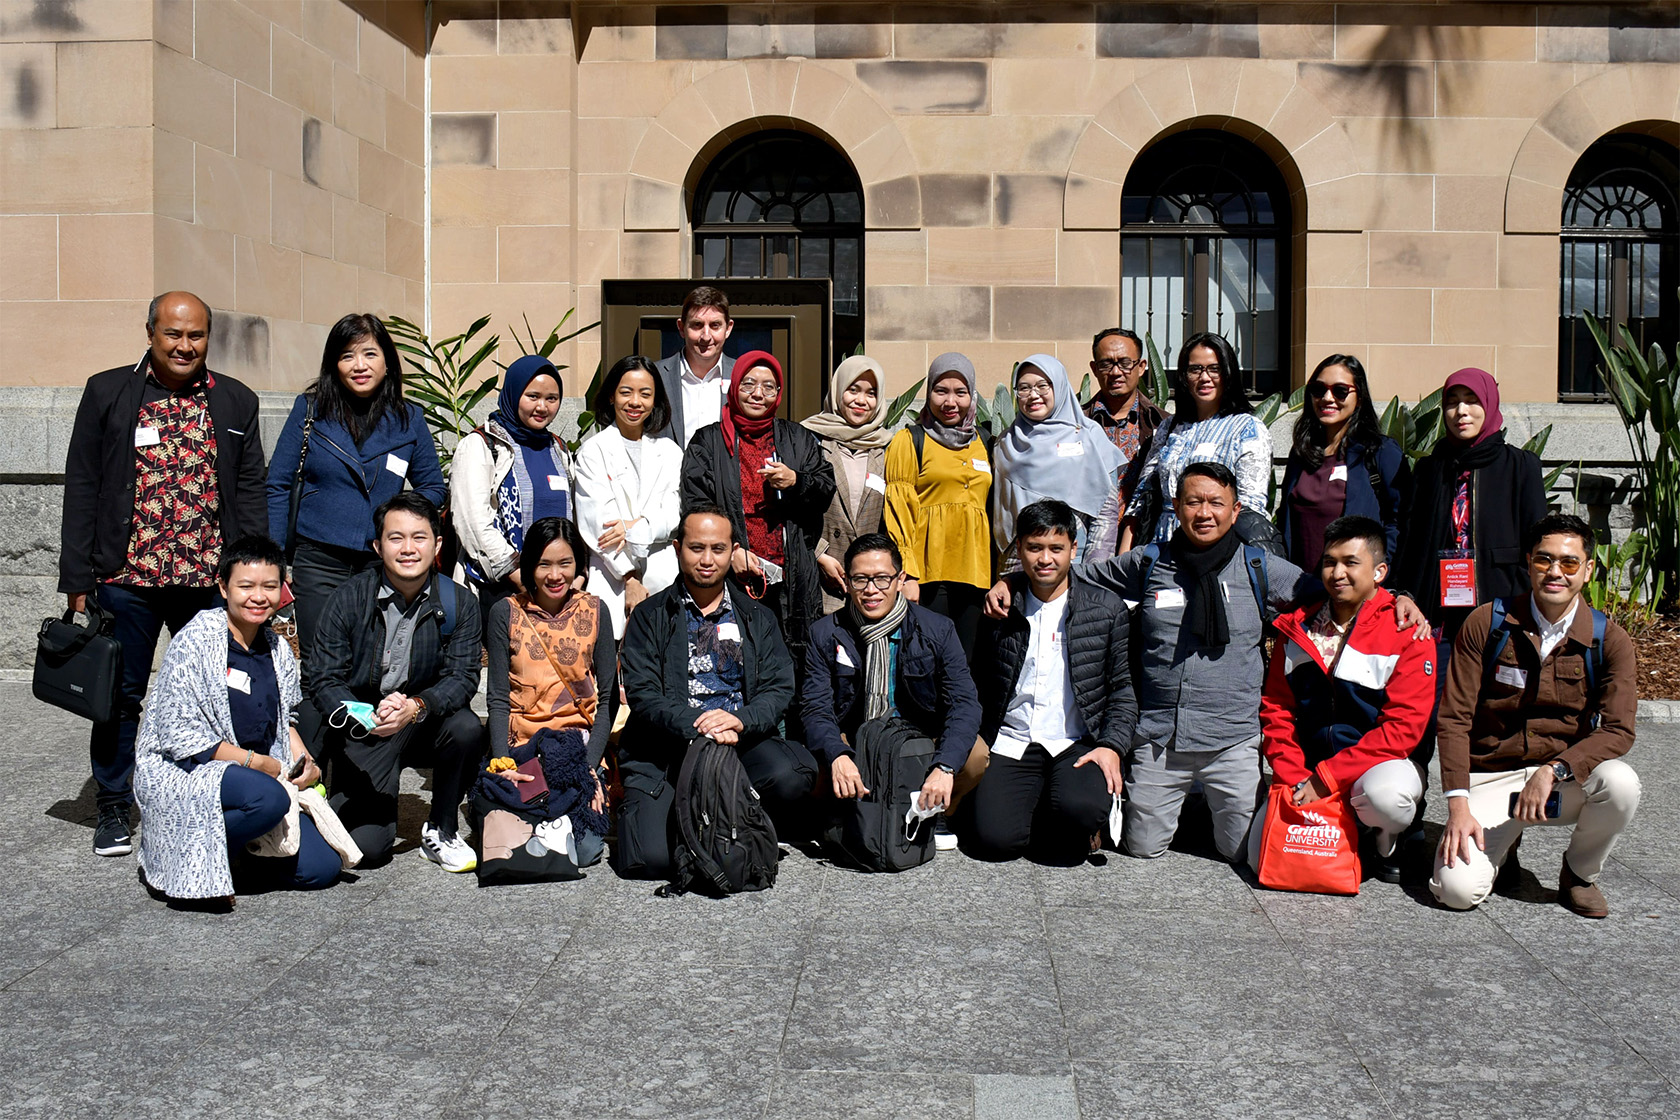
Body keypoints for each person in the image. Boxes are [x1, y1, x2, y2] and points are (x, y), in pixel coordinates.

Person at [60, 291, 269, 857]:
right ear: (150, 332)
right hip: (126, 579)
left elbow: (249, 492)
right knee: (120, 695)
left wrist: (258, 576)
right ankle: (112, 804)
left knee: (217, 694)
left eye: (196, 335)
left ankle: (217, 797)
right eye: (173, 334)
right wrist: (78, 582)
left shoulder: (235, 401)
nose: (184, 345)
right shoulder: (109, 392)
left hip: (207, 583)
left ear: (208, 338)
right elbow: (82, 486)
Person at [1431, 514, 1640, 918]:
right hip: (1491, 776)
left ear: (1589, 569)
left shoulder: (1609, 640)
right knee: (1455, 892)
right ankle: (1502, 850)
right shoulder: (1487, 624)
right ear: (1528, 562)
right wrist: (1457, 807)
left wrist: (1555, 770)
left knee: (1621, 784)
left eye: (1569, 562)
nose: (1555, 572)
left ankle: (1578, 874)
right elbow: (1454, 718)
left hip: (1561, 781)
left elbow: (1618, 729)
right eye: (1544, 560)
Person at [612, 507, 819, 879]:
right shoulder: (650, 615)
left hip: (738, 745)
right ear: (678, 549)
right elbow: (643, 695)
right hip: (667, 752)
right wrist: (702, 726)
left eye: (718, 549)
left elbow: (779, 687)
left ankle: (729, 811)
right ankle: (700, 819)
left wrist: (739, 720)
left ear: (732, 551)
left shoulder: (756, 616)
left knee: (793, 774)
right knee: (651, 861)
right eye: (696, 548)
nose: (707, 559)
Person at [133, 536, 342, 903]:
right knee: (269, 799)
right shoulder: (197, 639)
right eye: (245, 586)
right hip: (191, 768)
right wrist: (258, 762)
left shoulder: (276, 647)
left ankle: (230, 863)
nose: (258, 597)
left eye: (269, 586)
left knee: (322, 869)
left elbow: (285, 718)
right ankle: (188, 863)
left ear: (283, 589)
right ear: (223, 587)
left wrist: (304, 761)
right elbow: (178, 734)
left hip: (258, 776)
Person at [1249, 516, 1433, 884]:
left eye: (1351, 562)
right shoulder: (1297, 627)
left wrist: (1328, 778)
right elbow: (1276, 708)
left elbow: (1402, 730)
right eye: (1330, 562)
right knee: (1257, 857)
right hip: (1308, 767)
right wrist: (1293, 775)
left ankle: (1384, 840)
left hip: (1376, 767)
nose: (1337, 572)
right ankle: (1342, 822)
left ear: (1379, 571)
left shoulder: (1406, 631)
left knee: (1388, 798)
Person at [306, 493, 484, 872]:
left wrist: (416, 707)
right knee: (366, 850)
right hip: (364, 723)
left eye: (419, 538)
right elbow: (322, 677)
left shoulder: (460, 604)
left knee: (466, 727)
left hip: (422, 719)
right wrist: (361, 712)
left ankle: (442, 829)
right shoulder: (348, 599)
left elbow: (463, 677)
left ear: (437, 545)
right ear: (377, 545)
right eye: (395, 538)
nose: (408, 549)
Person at [1390, 367, 1549, 767]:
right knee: (1421, 714)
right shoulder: (1429, 470)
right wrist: (1405, 592)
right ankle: (1408, 816)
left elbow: (1537, 544)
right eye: (1451, 402)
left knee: (1490, 717)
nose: (1461, 411)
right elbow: (1411, 541)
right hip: (1437, 617)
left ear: (1489, 405)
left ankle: (1485, 818)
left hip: (1497, 614)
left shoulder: (1520, 466)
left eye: (1471, 401)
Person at [266, 313, 447, 659]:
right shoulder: (310, 410)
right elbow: (277, 484)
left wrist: (398, 519)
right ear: (333, 364)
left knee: (373, 661)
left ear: (388, 362)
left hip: (380, 563)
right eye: (347, 355)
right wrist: (276, 558)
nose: (359, 365)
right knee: (321, 662)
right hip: (318, 559)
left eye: (369, 354)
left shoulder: (409, 419)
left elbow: (433, 488)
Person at [967, 500, 1133, 862]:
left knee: (1075, 824)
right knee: (993, 842)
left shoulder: (1106, 609)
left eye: (1056, 549)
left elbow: (1123, 690)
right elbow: (978, 678)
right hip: (1013, 740)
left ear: (1074, 549)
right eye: (1034, 548)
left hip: (1076, 742)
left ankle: (1069, 815)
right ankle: (1030, 803)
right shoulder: (1000, 608)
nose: (1045, 559)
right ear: (1020, 550)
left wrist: (1112, 746)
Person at [801, 533, 987, 849]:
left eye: (882, 579)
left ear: (900, 580)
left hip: (918, 737)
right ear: (846, 582)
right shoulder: (824, 632)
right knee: (813, 757)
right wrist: (837, 754)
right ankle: (847, 811)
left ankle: (935, 808)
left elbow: (965, 704)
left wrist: (944, 767)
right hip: (855, 736)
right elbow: (815, 707)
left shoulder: (937, 630)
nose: (871, 590)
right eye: (860, 580)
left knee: (975, 755)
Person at [680, 350, 836, 675]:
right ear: (734, 387)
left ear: (779, 393)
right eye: (749, 383)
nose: (758, 394)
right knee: (736, 661)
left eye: (768, 386)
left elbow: (824, 488)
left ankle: (789, 727)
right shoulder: (708, 442)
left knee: (796, 665)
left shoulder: (798, 438)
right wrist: (731, 550)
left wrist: (796, 481)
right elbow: (697, 504)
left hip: (791, 575)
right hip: (734, 573)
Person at [483, 517, 616, 869]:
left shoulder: (596, 611)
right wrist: (502, 760)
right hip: (525, 750)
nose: (555, 575)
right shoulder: (505, 613)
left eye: (565, 563)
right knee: (526, 840)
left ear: (578, 565)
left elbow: (608, 700)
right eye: (544, 564)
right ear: (529, 565)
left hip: (579, 749)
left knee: (585, 852)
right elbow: (497, 697)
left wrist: (590, 768)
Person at [883, 353, 993, 660]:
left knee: (968, 663)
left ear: (972, 395)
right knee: (927, 661)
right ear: (929, 392)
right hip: (930, 575)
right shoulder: (910, 440)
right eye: (941, 391)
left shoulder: (985, 441)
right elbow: (898, 511)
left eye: (961, 392)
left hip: (977, 574)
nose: (950, 401)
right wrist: (908, 575)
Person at [1120, 332, 1272, 550]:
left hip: (1215, 549)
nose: (1204, 377)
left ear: (1228, 373)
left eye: (1214, 368)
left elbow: (1250, 507)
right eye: (1195, 369)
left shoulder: (1247, 428)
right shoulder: (1170, 426)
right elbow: (1141, 499)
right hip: (1163, 546)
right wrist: (1125, 559)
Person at [448, 354, 574, 612]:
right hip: (501, 589)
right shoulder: (482, 445)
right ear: (513, 393)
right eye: (532, 396)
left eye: (551, 399)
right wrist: (521, 579)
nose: (542, 407)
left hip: (555, 588)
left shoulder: (558, 448)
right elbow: (472, 522)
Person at [573, 354, 684, 639]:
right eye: (626, 392)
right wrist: (630, 577)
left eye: (645, 394)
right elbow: (599, 524)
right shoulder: (593, 451)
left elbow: (674, 512)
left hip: (663, 575)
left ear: (655, 399)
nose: (635, 402)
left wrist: (632, 527)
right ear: (611, 396)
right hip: (612, 577)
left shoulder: (670, 451)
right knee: (612, 669)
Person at [1276, 355, 1408, 572]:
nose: (1327, 398)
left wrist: (1376, 571)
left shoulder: (1380, 452)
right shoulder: (1301, 453)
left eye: (1340, 391)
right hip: (1301, 589)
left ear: (1360, 397)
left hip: (1355, 588)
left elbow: (1400, 522)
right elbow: (1286, 520)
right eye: (1319, 389)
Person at [991, 353, 1125, 565]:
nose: (1033, 395)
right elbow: (1001, 515)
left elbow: (1105, 514)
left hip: (1073, 564)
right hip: (1017, 565)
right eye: (1024, 388)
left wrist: (1092, 574)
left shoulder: (1089, 436)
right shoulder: (1005, 443)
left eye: (1043, 386)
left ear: (1059, 387)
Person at [802, 355, 896, 613]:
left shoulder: (888, 447)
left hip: (871, 585)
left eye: (871, 393)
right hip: (823, 578)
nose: (861, 401)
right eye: (853, 390)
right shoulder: (811, 440)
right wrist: (819, 555)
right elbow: (794, 509)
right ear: (837, 391)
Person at [1085, 327, 1165, 515]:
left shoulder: (1162, 424)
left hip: (1144, 535)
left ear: (1141, 366)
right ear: (1094, 369)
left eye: (1125, 363)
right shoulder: (1075, 423)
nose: (1115, 372)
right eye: (1106, 364)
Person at [655, 285, 736, 448]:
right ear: (681, 328)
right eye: (697, 325)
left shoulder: (743, 377)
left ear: (728, 329)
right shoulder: (655, 377)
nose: (706, 336)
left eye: (715, 325)